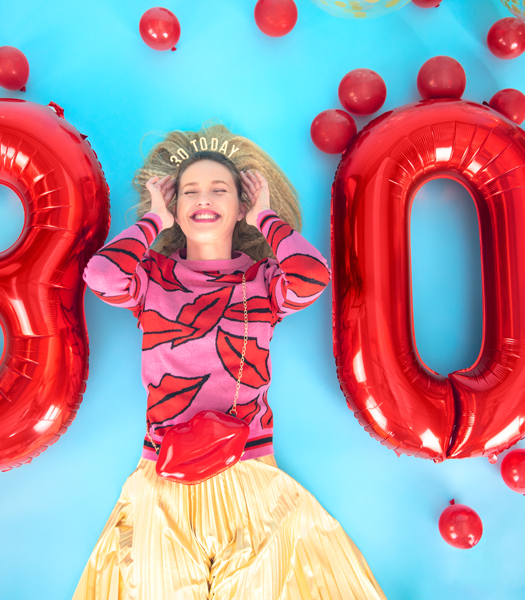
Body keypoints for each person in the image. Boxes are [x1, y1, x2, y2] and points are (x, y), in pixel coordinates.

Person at [73, 124, 386, 600]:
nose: (204, 198)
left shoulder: (262, 280)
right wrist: (153, 221)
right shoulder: (151, 279)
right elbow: (101, 275)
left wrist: (266, 218)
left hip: (250, 471)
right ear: (176, 207)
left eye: (220, 190)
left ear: (240, 207)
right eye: (189, 191)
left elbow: (312, 277)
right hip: (163, 477)